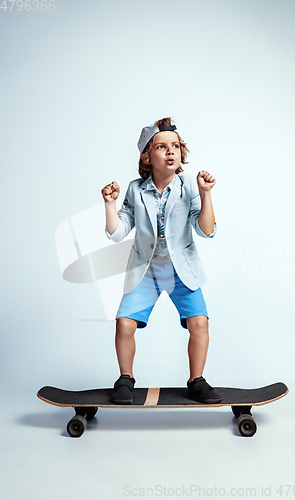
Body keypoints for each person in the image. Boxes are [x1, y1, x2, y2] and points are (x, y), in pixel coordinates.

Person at [101, 117, 221, 404]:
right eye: (162, 147)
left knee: (199, 323)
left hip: (182, 272)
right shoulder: (134, 190)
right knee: (124, 325)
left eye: (176, 146)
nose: (171, 152)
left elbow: (206, 230)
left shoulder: (190, 187)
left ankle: (197, 380)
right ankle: (125, 379)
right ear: (147, 156)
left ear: (181, 153)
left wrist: (205, 195)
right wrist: (110, 205)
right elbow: (117, 233)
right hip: (147, 271)